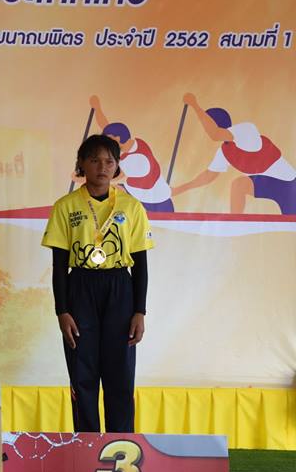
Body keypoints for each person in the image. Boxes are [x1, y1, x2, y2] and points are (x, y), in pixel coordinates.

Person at [42, 135, 152, 432]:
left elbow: (141, 265)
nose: (102, 167)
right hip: (80, 287)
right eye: (94, 160)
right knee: (83, 374)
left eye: (108, 161)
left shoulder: (131, 207)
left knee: (120, 375)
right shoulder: (65, 206)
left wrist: (139, 311)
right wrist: (62, 310)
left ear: (117, 166)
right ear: (81, 164)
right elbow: (59, 265)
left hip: (119, 288)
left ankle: (121, 443)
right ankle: (86, 445)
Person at [172, 93, 296, 214]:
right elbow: (208, 176)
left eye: (205, 124)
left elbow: (215, 134)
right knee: (239, 186)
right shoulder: (224, 151)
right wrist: (179, 189)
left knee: (240, 185)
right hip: (265, 184)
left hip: (288, 183)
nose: (205, 131)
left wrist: (194, 105)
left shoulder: (245, 130)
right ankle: (236, 220)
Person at [89, 95, 175, 212]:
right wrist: (97, 108)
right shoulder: (134, 143)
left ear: (118, 138)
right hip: (139, 196)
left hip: (156, 204)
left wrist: (84, 176)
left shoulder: (135, 159)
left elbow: (113, 178)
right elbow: (105, 126)